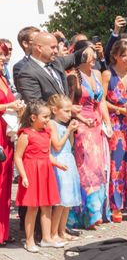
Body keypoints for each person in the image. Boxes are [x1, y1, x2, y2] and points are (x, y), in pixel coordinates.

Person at [67, 43, 112, 229]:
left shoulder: (97, 74)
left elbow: (101, 102)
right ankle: (86, 215)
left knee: (99, 169)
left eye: (94, 54)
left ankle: (98, 212)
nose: (93, 57)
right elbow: (68, 105)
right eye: (88, 54)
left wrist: (107, 122)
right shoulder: (72, 76)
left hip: (97, 126)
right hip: (82, 127)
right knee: (85, 170)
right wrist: (81, 121)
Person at [14, 101, 67, 252]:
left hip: (45, 173)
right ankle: (29, 240)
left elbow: (47, 154)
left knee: (47, 206)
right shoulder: (25, 134)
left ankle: (46, 238)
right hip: (31, 173)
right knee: (32, 208)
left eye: (49, 116)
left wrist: (57, 164)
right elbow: (18, 157)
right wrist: (23, 176)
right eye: (45, 117)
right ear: (33, 117)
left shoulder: (47, 133)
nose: (47, 120)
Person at [102, 39, 127, 223]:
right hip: (116, 122)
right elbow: (101, 101)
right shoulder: (107, 74)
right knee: (117, 165)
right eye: (124, 55)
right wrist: (119, 110)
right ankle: (116, 205)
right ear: (115, 56)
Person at [14, 32, 85, 103]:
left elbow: (75, 57)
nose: (56, 51)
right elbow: (36, 104)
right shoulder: (27, 73)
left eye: (57, 47)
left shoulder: (56, 62)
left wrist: (90, 49)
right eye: (53, 47)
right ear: (39, 48)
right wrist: (64, 109)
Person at [47, 94, 82, 242]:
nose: (69, 114)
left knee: (67, 201)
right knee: (61, 201)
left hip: (68, 159)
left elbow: (70, 145)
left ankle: (62, 231)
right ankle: (54, 232)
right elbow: (56, 145)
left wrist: (71, 132)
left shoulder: (63, 125)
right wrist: (68, 131)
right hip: (59, 162)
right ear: (55, 110)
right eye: (66, 111)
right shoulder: (52, 124)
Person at [0, 42, 23, 245]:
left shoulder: (3, 78)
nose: (2, 58)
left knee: (5, 183)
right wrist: (8, 105)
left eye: (3, 55)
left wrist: (16, 108)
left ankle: (3, 232)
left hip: (6, 133)